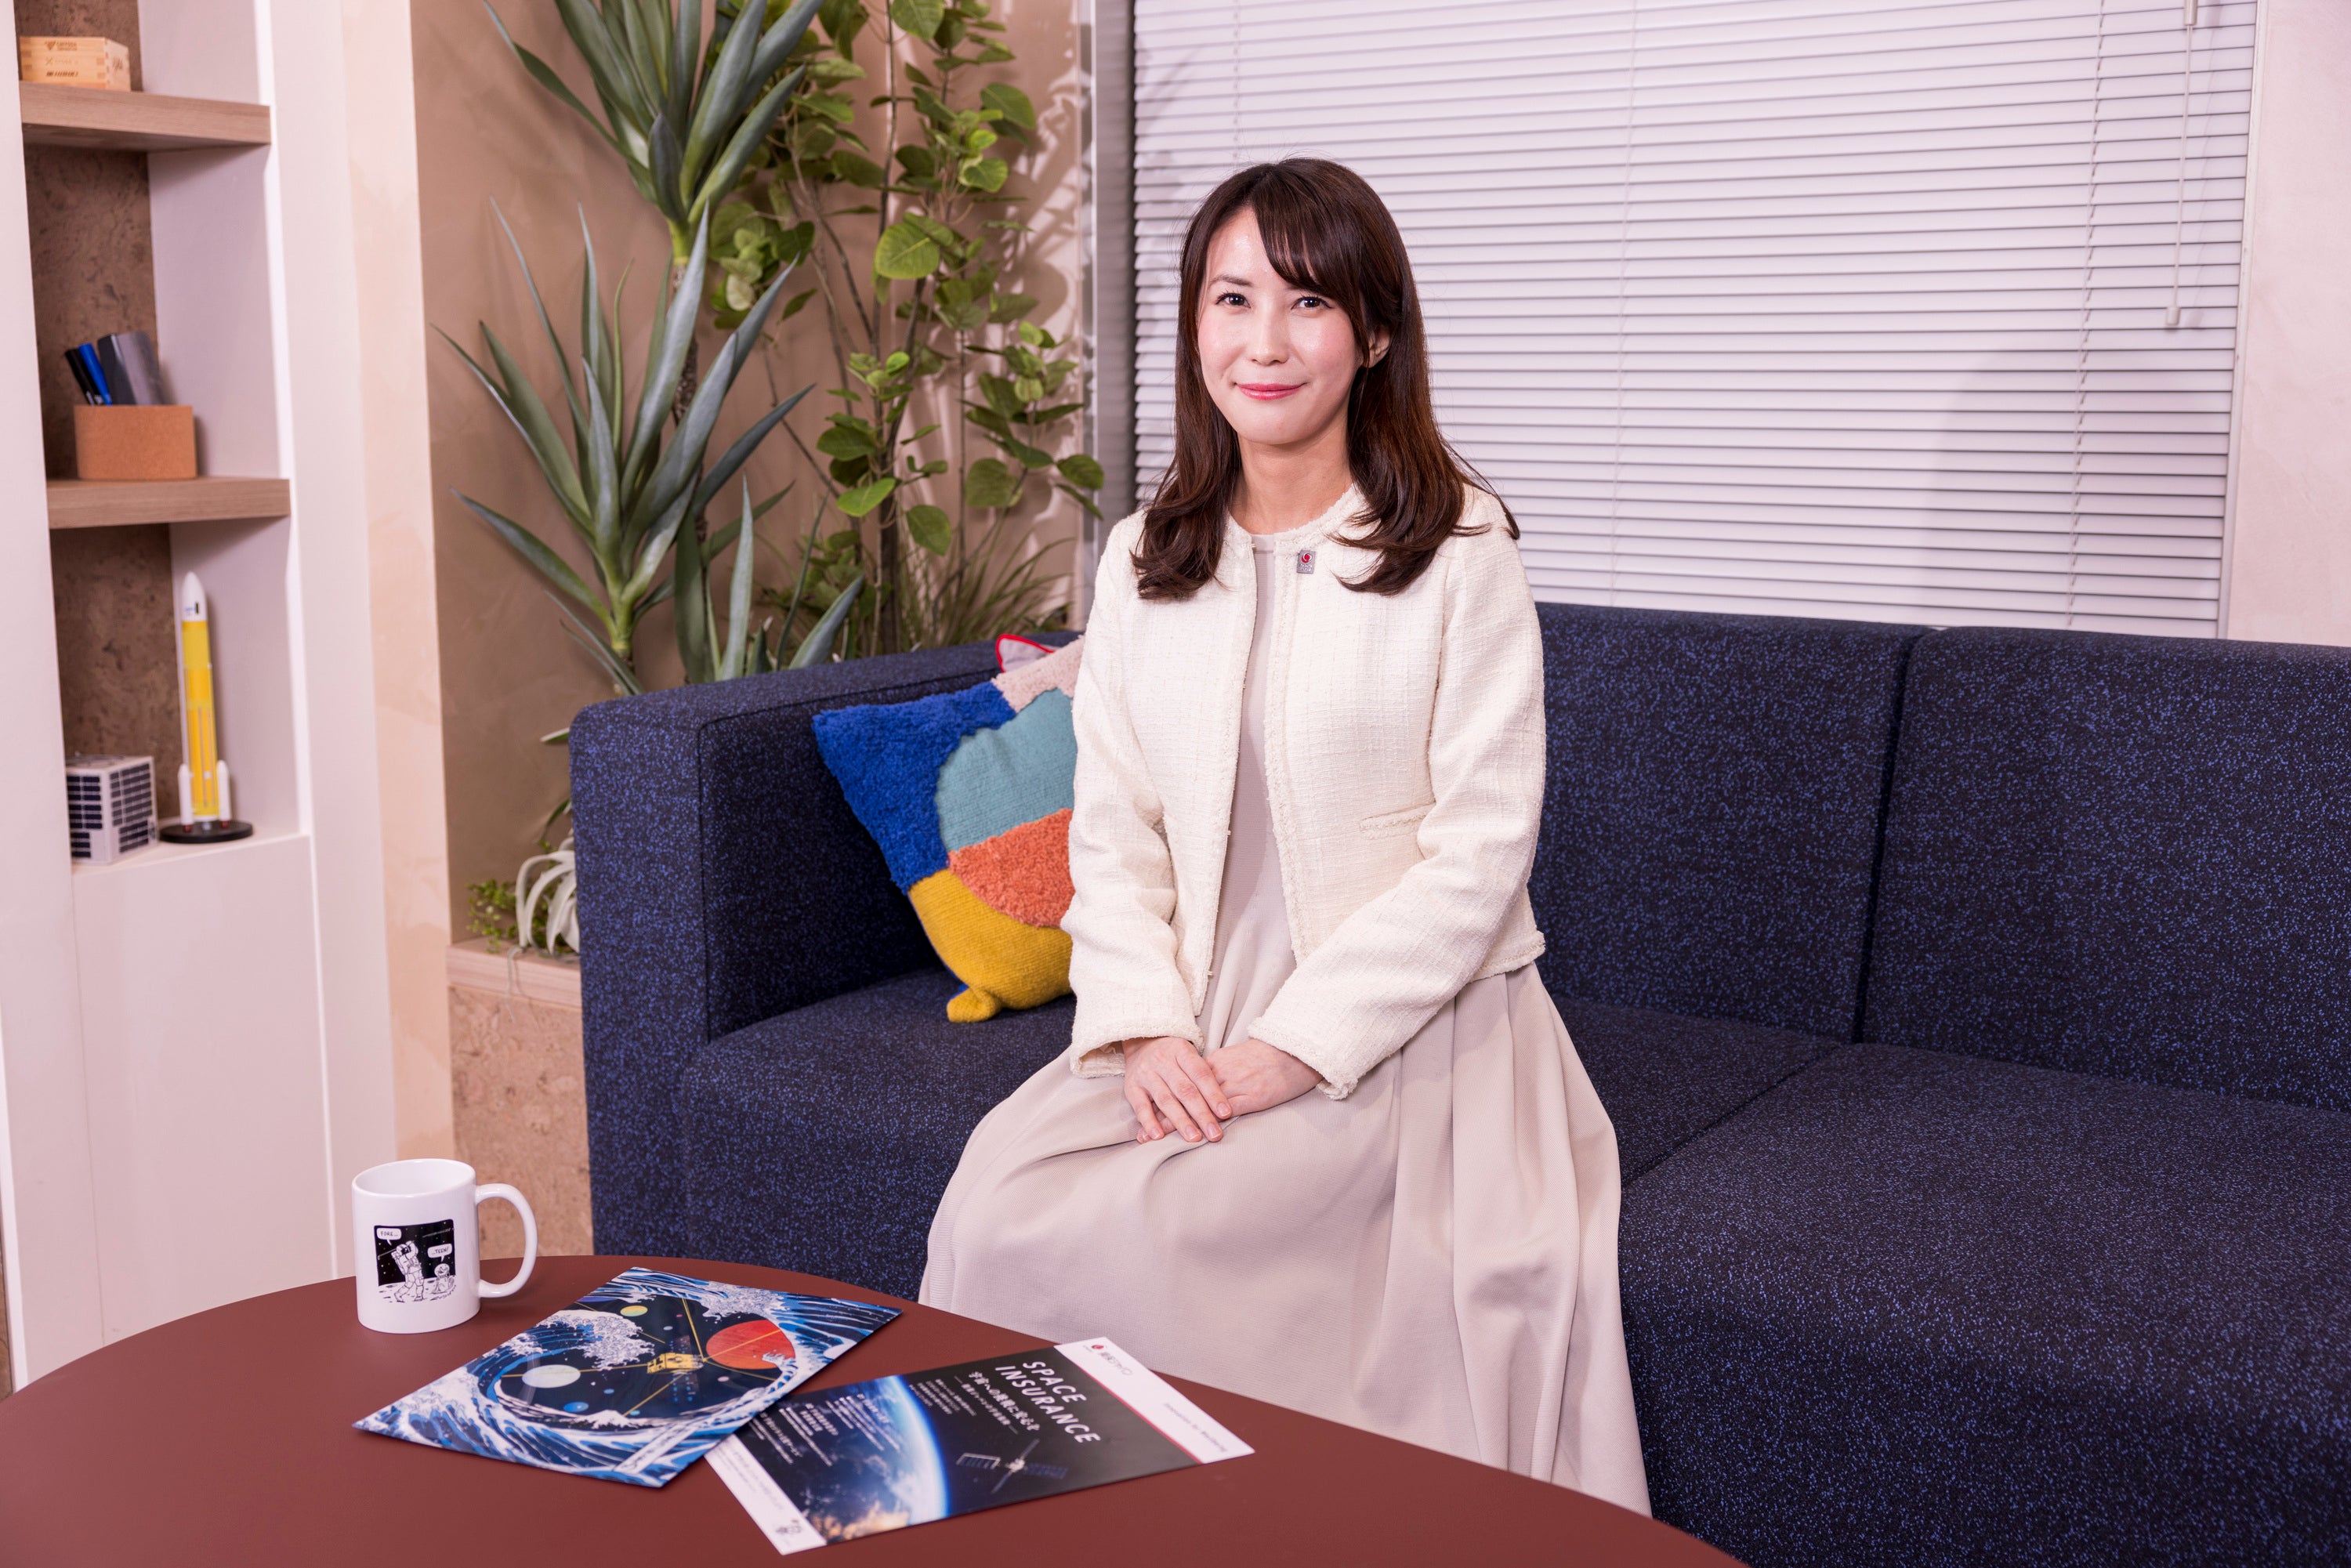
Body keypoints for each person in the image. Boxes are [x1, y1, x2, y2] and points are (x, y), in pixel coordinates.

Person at [922, 158, 1649, 1510]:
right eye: (1232, 298)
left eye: (1308, 303)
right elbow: (1113, 831)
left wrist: (1291, 1050)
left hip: (1409, 1020)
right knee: (997, 1199)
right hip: (1188, 1006)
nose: (1263, 341)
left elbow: (1483, 853)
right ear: (1195, 322)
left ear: (1372, 336)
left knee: (1173, 1230)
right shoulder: (1147, 556)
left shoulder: (1460, 548)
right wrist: (1147, 1029)